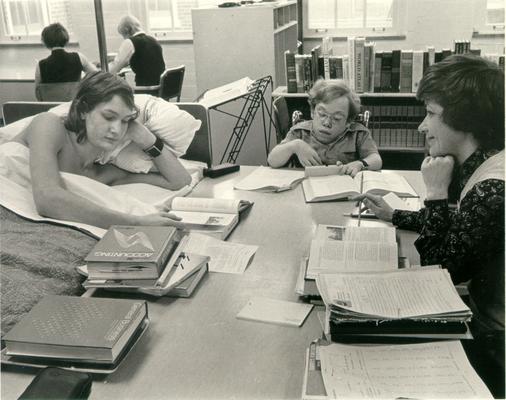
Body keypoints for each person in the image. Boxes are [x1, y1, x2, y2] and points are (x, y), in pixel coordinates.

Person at [354, 54, 504, 397]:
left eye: (431, 114)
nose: (422, 126)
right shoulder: (489, 163)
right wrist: (395, 215)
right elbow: (463, 228)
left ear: (466, 120)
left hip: (495, 346)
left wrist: (435, 192)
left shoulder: (493, 187)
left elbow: (439, 273)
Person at [10, 71, 191, 229]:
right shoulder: (49, 125)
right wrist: (136, 222)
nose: (117, 129)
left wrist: (147, 139)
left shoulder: (102, 174)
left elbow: (179, 181)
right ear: (82, 110)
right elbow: (47, 198)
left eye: (125, 121)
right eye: (109, 117)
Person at [267, 79, 382, 176]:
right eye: (322, 114)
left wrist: (360, 164)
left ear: (348, 121)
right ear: (312, 111)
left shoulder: (358, 134)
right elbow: (272, 160)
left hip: (344, 191)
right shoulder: (300, 132)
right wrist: (295, 146)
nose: (327, 123)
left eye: (336, 118)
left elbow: (376, 160)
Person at [108, 15, 165, 87]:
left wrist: (100, 71)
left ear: (127, 29)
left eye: (123, 35)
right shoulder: (153, 40)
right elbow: (146, 62)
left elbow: (115, 67)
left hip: (146, 89)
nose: (124, 38)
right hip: (160, 87)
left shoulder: (130, 42)